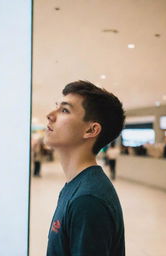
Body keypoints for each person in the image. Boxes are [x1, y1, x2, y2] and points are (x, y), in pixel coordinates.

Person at [44, 80, 125, 256]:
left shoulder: (88, 201)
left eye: (64, 110)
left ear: (91, 130)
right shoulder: (77, 185)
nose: (50, 115)